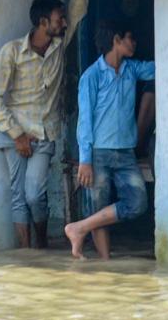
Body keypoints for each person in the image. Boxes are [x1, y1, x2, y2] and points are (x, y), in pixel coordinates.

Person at [0, 0, 88, 249]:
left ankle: (40, 245)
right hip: (14, 134)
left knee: (34, 193)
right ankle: (27, 253)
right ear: (43, 22)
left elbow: (79, 6)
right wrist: (16, 134)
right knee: (18, 194)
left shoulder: (59, 44)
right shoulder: (12, 52)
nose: (64, 22)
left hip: (43, 133)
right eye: (59, 19)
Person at [64, 20, 153, 259]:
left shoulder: (132, 69)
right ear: (116, 40)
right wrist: (85, 160)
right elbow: (85, 121)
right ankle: (105, 264)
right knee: (97, 208)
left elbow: (158, 68)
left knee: (137, 203)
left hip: (126, 152)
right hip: (98, 154)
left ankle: (79, 228)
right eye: (129, 37)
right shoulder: (91, 76)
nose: (134, 43)